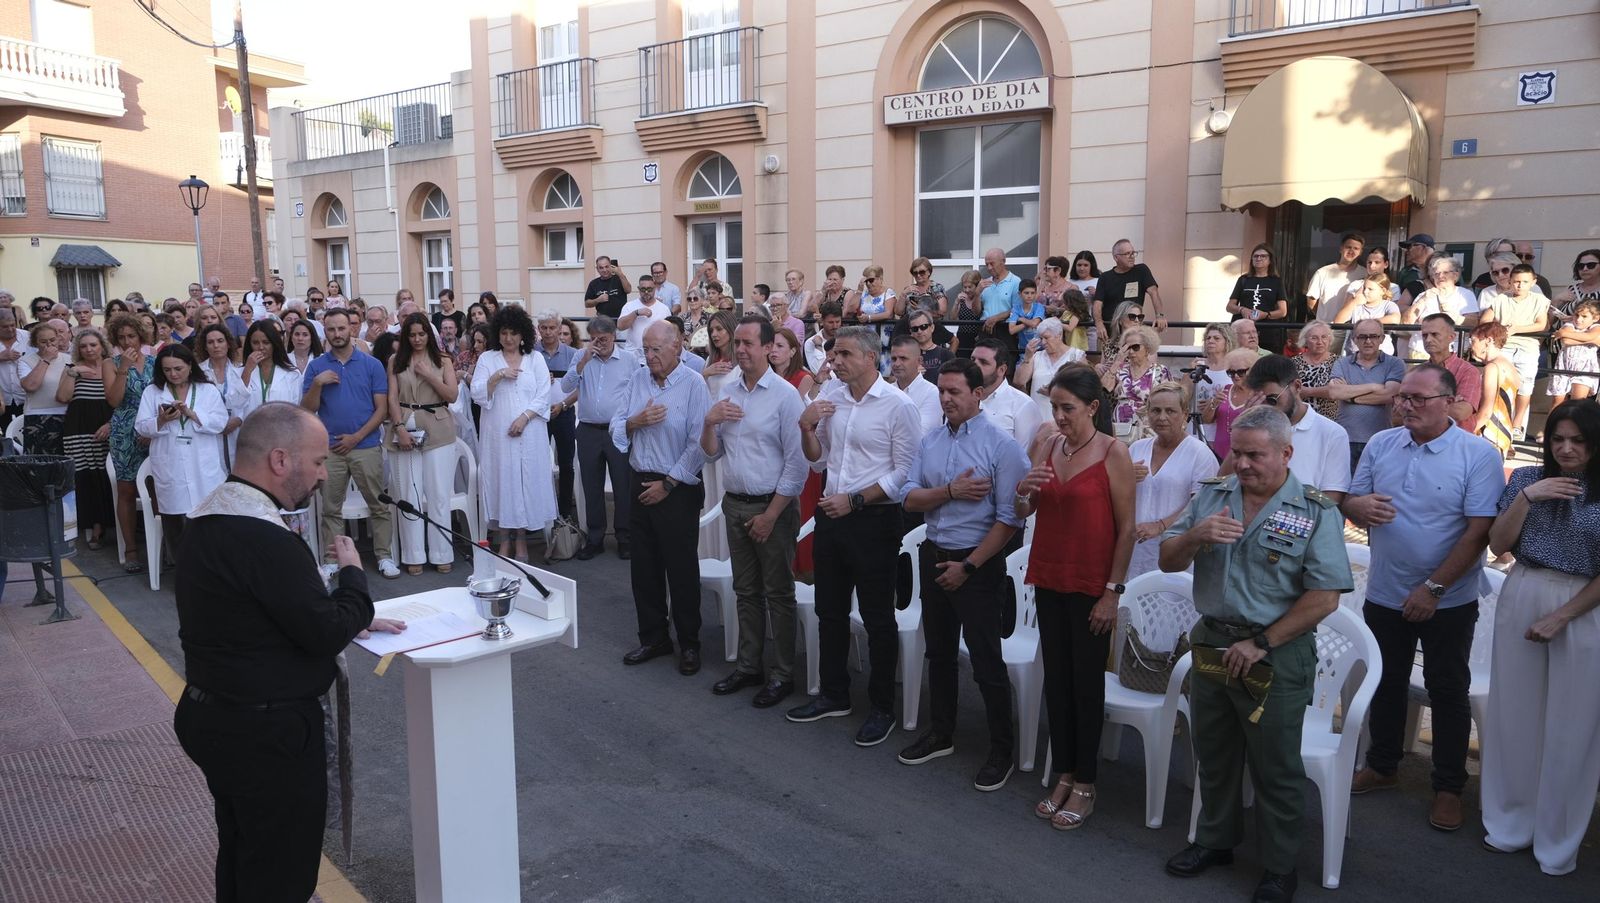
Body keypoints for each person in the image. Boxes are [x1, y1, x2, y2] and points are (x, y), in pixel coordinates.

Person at [173, 402, 375, 903]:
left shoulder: (205, 519)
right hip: (267, 735)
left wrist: (336, 612)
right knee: (280, 875)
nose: (323, 474)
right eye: (319, 461)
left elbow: (263, 611)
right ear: (280, 460)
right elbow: (324, 633)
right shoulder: (264, 537)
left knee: (244, 853)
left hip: (214, 716)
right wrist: (352, 579)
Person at [1160, 405, 1350, 902]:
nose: (1241, 464)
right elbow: (1166, 555)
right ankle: (1215, 840)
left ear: (1286, 453)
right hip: (1212, 642)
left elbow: (1325, 596)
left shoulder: (1314, 511)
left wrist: (1262, 642)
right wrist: (1196, 535)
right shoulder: (1213, 497)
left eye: (1254, 455)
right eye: (1236, 453)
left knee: (1275, 766)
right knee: (1214, 752)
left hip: (1275, 654)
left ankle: (1279, 865)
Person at [1342, 364, 1504, 832]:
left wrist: (1433, 589)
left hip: (1447, 598)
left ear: (1449, 403)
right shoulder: (1380, 443)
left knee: (1447, 688)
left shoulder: (1477, 454)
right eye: (1402, 398)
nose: (1404, 405)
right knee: (1387, 680)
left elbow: (1479, 532)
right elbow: (1351, 499)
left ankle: (1449, 787)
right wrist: (1358, 506)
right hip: (1386, 589)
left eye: (1417, 399)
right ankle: (1384, 765)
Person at [895, 358, 1030, 789]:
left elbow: (1010, 519)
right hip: (935, 554)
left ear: (978, 393)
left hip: (979, 563)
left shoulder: (1002, 447)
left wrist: (970, 566)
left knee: (986, 660)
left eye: (955, 392)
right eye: (942, 391)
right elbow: (908, 499)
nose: (947, 399)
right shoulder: (930, 440)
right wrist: (950, 492)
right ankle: (941, 733)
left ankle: (1000, 749)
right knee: (939, 653)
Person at [1481, 399, 1600, 876]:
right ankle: (1509, 824)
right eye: (1558, 439)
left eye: (1578, 441)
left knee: (1573, 728)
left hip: (1584, 604)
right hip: (1525, 585)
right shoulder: (1527, 481)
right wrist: (1530, 499)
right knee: (1514, 713)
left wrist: (1563, 616)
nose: (1566, 449)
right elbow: (1497, 544)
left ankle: (1557, 841)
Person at [786, 326, 922, 745]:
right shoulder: (832, 400)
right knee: (830, 611)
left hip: (874, 520)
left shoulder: (898, 405)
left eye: (844, 353)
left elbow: (905, 473)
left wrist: (857, 501)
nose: (835, 360)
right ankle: (834, 693)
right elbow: (818, 461)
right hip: (832, 515)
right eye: (832, 352)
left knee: (878, 618)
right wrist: (807, 429)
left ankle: (882, 707)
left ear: (868, 357)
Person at [1020, 364, 1136, 829]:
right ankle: (1064, 771)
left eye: (1068, 408)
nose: (1059, 416)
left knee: (1086, 686)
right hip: (1049, 575)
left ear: (1093, 407)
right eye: (1054, 407)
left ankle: (1086, 781)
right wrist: (1022, 496)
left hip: (1092, 585)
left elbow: (1127, 528)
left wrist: (1112, 592)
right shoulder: (1047, 444)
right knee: (1058, 681)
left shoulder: (1114, 452)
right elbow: (1024, 507)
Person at [700, 315, 807, 708]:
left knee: (778, 593)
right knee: (745, 591)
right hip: (735, 504)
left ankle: (782, 674)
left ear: (768, 348)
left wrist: (771, 515)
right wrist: (709, 423)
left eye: (748, 343)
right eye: (738, 343)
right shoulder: (727, 389)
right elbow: (713, 453)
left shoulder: (783, 395)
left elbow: (797, 467)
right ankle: (749, 666)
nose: (741, 350)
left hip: (771, 508)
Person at [611, 322, 711, 675]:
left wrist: (667, 485)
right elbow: (616, 426)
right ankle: (653, 637)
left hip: (677, 488)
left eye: (656, 350)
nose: (649, 357)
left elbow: (699, 444)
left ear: (677, 347)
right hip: (639, 481)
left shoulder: (694, 384)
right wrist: (635, 422)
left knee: (681, 569)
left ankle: (689, 643)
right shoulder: (638, 380)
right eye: (646, 350)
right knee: (645, 568)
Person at [301, 309, 398, 578]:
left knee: (377, 503)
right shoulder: (317, 367)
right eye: (331, 329)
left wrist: (356, 437)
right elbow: (308, 409)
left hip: (365, 445)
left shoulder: (371, 365)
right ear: (325, 331)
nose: (337, 334)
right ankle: (333, 559)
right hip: (330, 449)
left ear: (351, 329)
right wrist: (317, 385)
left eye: (342, 328)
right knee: (331, 508)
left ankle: (384, 556)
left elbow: (381, 410)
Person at [471, 305, 558, 562]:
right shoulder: (488, 359)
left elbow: (544, 395)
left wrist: (524, 417)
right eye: (504, 333)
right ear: (497, 333)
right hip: (498, 435)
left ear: (524, 335)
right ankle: (504, 540)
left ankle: (521, 540)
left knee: (525, 484)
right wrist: (497, 376)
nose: (509, 339)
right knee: (503, 483)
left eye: (514, 333)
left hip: (530, 433)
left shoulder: (535, 359)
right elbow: (477, 393)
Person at [381, 313, 459, 575]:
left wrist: (429, 375)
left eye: (421, 334)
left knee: (438, 494)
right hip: (405, 422)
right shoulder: (395, 361)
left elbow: (452, 395)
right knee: (409, 495)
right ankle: (413, 553)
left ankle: (441, 552)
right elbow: (391, 398)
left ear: (429, 334)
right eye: (412, 334)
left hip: (438, 425)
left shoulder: (443, 360)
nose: (417, 339)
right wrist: (399, 428)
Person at [136, 345, 229, 561]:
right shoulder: (153, 391)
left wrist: (192, 414)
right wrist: (161, 420)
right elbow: (141, 427)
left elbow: (220, 422)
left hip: (202, 463)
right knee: (175, 520)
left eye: (178, 368)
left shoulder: (207, 390)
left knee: (208, 519)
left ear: (190, 365)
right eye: (167, 370)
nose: (173, 374)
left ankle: (211, 571)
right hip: (171, 463)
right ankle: (182, 573)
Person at [561, 317, 637, 560]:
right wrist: (582, 362)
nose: (598, 343)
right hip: (588, 430)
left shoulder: (629, 360)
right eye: (593, 338)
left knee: (622, 485)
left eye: (603, 339)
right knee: (591, 486)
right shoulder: (582, 357)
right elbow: (565, 386)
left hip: (618, 431)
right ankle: (595, 538)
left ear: (614, 336)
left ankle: (625, 537)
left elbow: (639, 390)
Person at [1127, 382, 1216, 578]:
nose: (1162, 417)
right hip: (1136, 551)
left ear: (1185, 414)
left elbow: (1201, 504)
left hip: (1177, 551)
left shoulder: (1199, 454)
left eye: (1170, 411)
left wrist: (1160, 525)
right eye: (1156, 410)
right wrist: (1123, 478)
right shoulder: (1136, 448)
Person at [1238, 355, 1352, 503]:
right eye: (1260, 401)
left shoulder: (1331, 434)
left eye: (1272, 399)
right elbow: (1225, 481)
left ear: (1297, 387)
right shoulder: (1256, 427)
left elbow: (1331, 501)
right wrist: (1246, 425)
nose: (1266, 408)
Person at [58, 328, 116, 549]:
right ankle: (95, 528)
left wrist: (111, 424)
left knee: (106, 475)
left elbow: (122, 400)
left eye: (93, 344)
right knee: (85, 478)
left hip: (108, 426)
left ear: (102, 345)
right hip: (79, 429)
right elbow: (63, 397)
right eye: (83, 346)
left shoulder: (113, 366)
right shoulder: (72, 369)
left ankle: (113, 524)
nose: (89, 349)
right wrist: (74, 373)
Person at [1478, 264, 1551, 441]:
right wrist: (1500, 329)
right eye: (1516, 281)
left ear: (1533, 282)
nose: (1519, 285)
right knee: (1497, 383)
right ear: (1510, 282)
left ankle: (1517, 425)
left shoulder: (1539, 300)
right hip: (1504, 346)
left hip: (1528, 347)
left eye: (1525, 282)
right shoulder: (1501, 299)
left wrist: (1517, 328)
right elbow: (1485, 319)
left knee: (1525, 385)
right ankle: (1493, 421)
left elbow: (1542, 324)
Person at [106, 315, 154, 572]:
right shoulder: (110, 363)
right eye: (121, 337)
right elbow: (114, 400)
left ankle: (165, 545)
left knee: (157, 487)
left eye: (131, 336)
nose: (127, 341)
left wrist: (153, 428)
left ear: (140, 336)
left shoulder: (156, 362)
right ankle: (131, 549)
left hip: (153, 430)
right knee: (126, 491)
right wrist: (124, 367)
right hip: (125, 431)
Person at [1327, 320, 1404, 472]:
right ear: (1354, 339)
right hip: (1346, 439)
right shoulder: (1342, 363)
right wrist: (1374, 387)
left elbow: (1390, 395)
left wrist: (1350, 395)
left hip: (1381, 439)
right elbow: (1334, 392)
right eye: (1362, 337)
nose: (1368, 341)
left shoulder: (1395, 363)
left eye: (1373, 336)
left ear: (1381, 338)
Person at [1098, 325, 1171, 442]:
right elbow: (1104, 388)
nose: (1131, 351)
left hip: (1147, 429)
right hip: (1121, 428)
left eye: (1135, 347)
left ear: (1147, 348)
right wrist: (1117, 362)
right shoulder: (1120, 369)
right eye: (1127, 347)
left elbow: (1169, 400)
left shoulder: (1160, 371)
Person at [970, 337, 1045, 451]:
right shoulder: (962, 398)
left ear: (1001, 369)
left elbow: (1026, 458)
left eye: (983, 362)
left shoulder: (1022, 405)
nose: (975, 366)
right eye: (972, 360)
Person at [1402, 254, 1480, 360]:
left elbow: (1473, 322)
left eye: (1445, 272)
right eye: (1436, 273)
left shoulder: (1465, 294)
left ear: (1456, 275)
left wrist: (1452, 316)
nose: (1440, 276)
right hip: (1422, 351)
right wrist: (1421, 301)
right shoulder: (1424, 295)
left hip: (1454, 352)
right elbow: (1406, 322)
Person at [1413, 313, 1483, 429]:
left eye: (1435, 334)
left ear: (1451, 337)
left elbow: (1461, 412)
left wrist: (1420, 403)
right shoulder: (1418, 372)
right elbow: (1399, 414)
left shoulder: (1468, 371)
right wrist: (1446, 403)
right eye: (1425, 335)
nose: (1429, 339)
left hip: (1455, 442)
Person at [1015, 317, 1084, 423]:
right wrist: (1027, 357)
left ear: (1059, 335)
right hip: (1038, 420)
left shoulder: (1076, 355)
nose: (1043, 342)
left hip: (1065, 420)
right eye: (1041, 338)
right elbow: (1019, 382)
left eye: (1046, 338)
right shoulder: (1036, 356)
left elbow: (1083, 389)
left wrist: (1054, 393)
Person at [17, 322, 69, 456]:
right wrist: (45, 359)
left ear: (58, 338)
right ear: (35, 343)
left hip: (67, 415)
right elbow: (30, 386)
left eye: (52, 340)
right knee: (39, 463)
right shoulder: (25, 361)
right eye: (43, 342)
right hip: (38, 417)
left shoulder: (70, 359)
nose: (49, 345)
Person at [197, 324, 246, 465]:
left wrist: (239, 419)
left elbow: (249, 401)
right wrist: (216, 424)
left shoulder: (241, 370)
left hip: (236, 430)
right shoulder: (198, 373)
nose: (216, 346)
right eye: (210, 342)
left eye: (220, 341)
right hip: (211, 433)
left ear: (228, 344)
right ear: (205, 347)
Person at [1096, 240, 1167, 335]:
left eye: (1133, 253)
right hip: (1110, 331)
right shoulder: (1105, 277)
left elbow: (1154, 293)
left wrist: (1159, 316)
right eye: (1127, 253)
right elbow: (1097, 303)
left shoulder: (1141, 270)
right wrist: (1099, 323)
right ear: (1116, 257)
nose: (1132, 256)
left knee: (1134, 349)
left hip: (1133, 330)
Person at [1227, 244, 1289, 352]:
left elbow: (1282, 311)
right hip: (1243, 331)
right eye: (1255, 256)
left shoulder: (1276, 281)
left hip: (1267, 330)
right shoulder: (1243, 279)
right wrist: (1242, 309)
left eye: (1263, 256)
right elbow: (1230, 306)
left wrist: (1266, 314)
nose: (1258, 258)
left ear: (1270, 260)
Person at [1205, 347, 1259, 463]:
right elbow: (1207, 420)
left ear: (1252, 371)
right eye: (1231, 372)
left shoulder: (1258, 395)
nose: (1236, 376)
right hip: (1219, 451)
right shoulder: (1225, 390)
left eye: (1241, 372)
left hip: (1246, 453)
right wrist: (1213, 404)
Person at [1548, 299, 1599, 411]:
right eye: (1577, 315)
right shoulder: (1569, 324)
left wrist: (1564, 333)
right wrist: (1591, 340)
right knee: (1557, 402)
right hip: (1564, 365)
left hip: (1585, 368)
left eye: (1584, 316)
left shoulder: (1596, 327)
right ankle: (1552, 427)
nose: (1579, 319)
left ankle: (1575, 427)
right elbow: (1566, 341)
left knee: (1577, 403)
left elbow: (1592, 336)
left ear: (1595, 318)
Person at [1334, 274, 1401, 356]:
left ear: (1382, 291)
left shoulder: (1388, 305)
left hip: (1381, 355)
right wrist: (1354, 302)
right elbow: (1338, 321)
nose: (1365, 292)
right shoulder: (1356, 305)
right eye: (1364, 288)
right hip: (1355, 354)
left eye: (1370, 289)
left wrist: (1368, 324)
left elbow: (1395, 318)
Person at [887, 334, 942, 434]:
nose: (897, 364)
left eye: (903, 358)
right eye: (894, 359)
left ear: (919, 361)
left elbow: (920, 435)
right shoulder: (885, 391)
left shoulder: (932, 393)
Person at [1306, 232, 1365, 323]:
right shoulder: (1322, 272)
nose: (1351, 251)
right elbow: (1311, 302)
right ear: (1341, 249)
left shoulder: (1365, 274)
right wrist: (1324, 317)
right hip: (1326, 328)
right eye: (1348, 247)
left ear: (1360, 252)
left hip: (1353, 329)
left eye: (1356, 248)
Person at [1292, 321, 1338, 419]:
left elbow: (1335, 392)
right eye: (1314, 338)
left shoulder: (1339, 362)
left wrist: (1307, 391)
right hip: (1300, 418)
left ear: (1330, 339)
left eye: (1324, 337)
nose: (1320, 342)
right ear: (1305, 341)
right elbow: (1290, 392)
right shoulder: (1293, 363)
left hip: (1329, 420)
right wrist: (1324, 391)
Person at [977, 248, 1022, 348]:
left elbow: (1018, 309)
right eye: (986, 264)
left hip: (1004, 329)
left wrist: (996, 318)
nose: (989, 268)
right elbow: (976, 312)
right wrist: (977, 293)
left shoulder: (1015, 281)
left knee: (1005, 361)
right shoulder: (984, 284)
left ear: (1003, 262)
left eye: (992, 264)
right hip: (985, 329)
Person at [618, 272, 667, 350]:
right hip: (633, 354)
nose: (646, 292)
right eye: (643, 289)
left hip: (655, 354)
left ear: (654, 288)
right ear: (638, 289)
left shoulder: (664, 309)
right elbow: (620, 326)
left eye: (649, 289)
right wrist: (636, 313)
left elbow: (668, 332)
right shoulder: (630, 306)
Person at [0, 306, 29, 433]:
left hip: (25, 397)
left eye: (12, 325)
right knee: (6, 436)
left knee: (26, 433)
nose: (11, 329)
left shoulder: (28, 337)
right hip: (2, 399)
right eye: (5, 327)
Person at [905, 309, 953, 383]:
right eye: (915, 329)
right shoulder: (905, 355)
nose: (919, 331)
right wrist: (910, 375)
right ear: (911, 332)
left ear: (932, 328)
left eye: (923, 326)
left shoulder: (946, 355)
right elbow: (892, 380)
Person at [584, 255, 632, 319]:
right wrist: (597, 300)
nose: (604, 270)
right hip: (603, 321)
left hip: (621, 319)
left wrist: (620, 274)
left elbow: (628, 290)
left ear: (611, 266)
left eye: (607, 267)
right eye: (601, 268)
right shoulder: (594, 283)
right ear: (597, 269)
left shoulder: (619, 278)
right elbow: (587, 304)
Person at [803, 300, 844, 373]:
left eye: (837, 322)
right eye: (830, 322)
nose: (835, 326)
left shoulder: (847, 340)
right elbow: (818, 370)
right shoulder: (810, 342)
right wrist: (818, 347)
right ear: (822, 321)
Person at [1008, 279, 1046, 350]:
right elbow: (1012, 330)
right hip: (1024, 349)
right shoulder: (1016, 308)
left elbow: (1034, 324)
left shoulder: (1039, 307)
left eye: (1032, 293)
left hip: (1040, 349)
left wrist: (1021, 319)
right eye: (1026, 293)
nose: (1029, 296)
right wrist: (1028, 323)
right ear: (1019, 294)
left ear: (1035, 293)